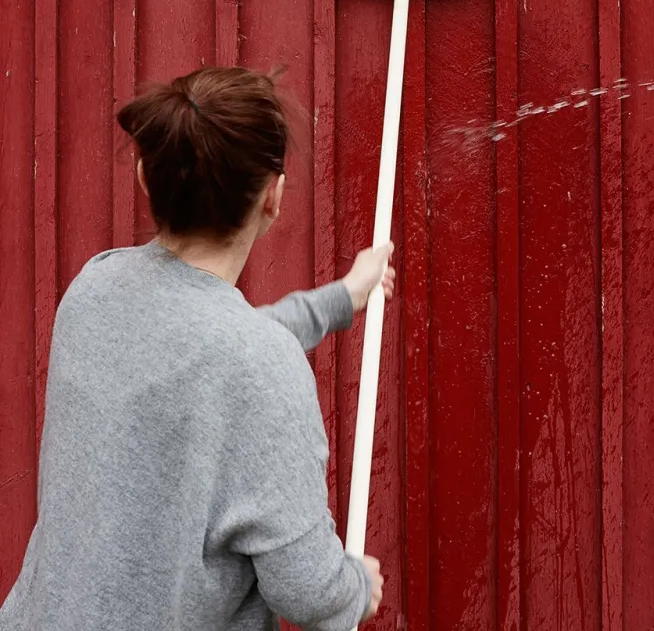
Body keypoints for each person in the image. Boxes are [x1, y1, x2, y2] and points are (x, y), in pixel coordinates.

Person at [0, 66, 392, 630]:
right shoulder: (257, 366)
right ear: (273, 197)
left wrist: (341, 298)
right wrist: (352, 587)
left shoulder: (92, 291)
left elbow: (208, 349)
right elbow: (306, 590)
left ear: (144, 176)